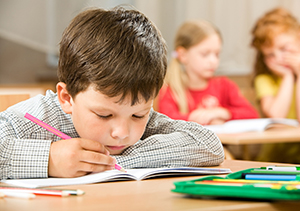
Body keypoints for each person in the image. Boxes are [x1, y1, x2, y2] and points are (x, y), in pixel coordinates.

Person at [0, 6, 224, 180]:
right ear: (67, 98)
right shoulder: (38, 116)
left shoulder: (144, 118)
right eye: (104, 115)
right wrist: (48, 159)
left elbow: (208, 144)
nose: (122, 133)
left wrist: (115, 162)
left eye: (138, 116)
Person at [158, 20, 259, 126]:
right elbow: (167, 121)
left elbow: (252, 114)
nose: (213, 61)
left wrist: (223, 113)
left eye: (217, 54)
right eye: (205, 54)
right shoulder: (170, 90)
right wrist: (199, 119)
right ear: (183, 55)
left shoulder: (225, 85)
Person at [251, 7, 300, 163]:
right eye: (271, 55)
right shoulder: (264, 80)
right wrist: (288, 76)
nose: (279, 58)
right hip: (275, 160)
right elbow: (277, 116)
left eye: (284, 48)